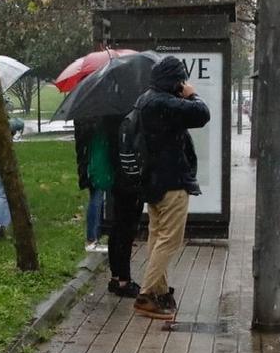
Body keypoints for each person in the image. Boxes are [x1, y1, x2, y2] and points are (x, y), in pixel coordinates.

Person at [132, 56, 211, 320]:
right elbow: (202, 114)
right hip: (171, 180)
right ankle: (146, 295)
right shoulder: (163, 102)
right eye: (180, 80)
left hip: (154, 180)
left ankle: (160, 292)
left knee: (157, 237)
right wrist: (192, 94)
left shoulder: (146, 99)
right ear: (175, 80)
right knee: (169, 239)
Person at [101, 110, 143, 298]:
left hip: (116, 178)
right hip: (128, 181)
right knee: (126, 231)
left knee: (117, 228)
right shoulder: (128, 120)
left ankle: (116, 277)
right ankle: (124, 281)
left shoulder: (108, 117)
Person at [73, 115, 111, 253]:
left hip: (90, 161)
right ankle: (92, 237)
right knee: (96, 196)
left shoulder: (83, 115)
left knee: (98, 196)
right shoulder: (91, 121)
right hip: (93, 162)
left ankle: (95, 235)